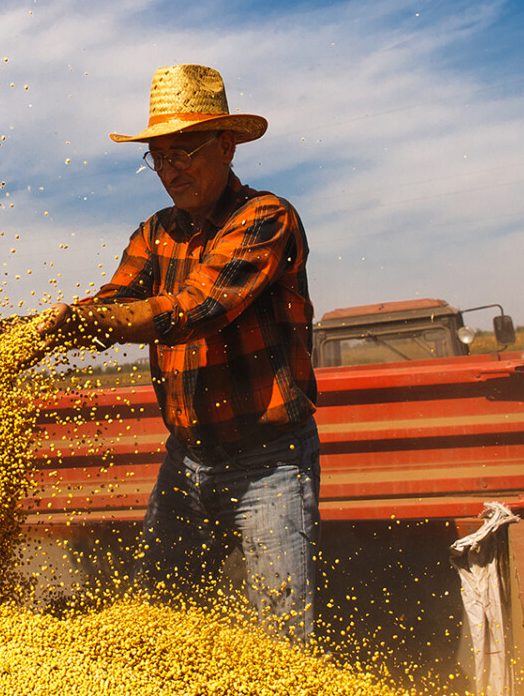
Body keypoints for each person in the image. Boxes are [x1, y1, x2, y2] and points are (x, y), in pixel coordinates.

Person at [35, 63, 320, 642]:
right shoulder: (154, 232)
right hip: (186, 460)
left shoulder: (265, 219)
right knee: (156, 628)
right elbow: (115, 301)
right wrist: (48, 329)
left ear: (228, 145)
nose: (170, 170)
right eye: (159, 157)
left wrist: (95, 321)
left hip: (267, 462)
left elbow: (199, 307)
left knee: (282, 642)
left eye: (184, 151)